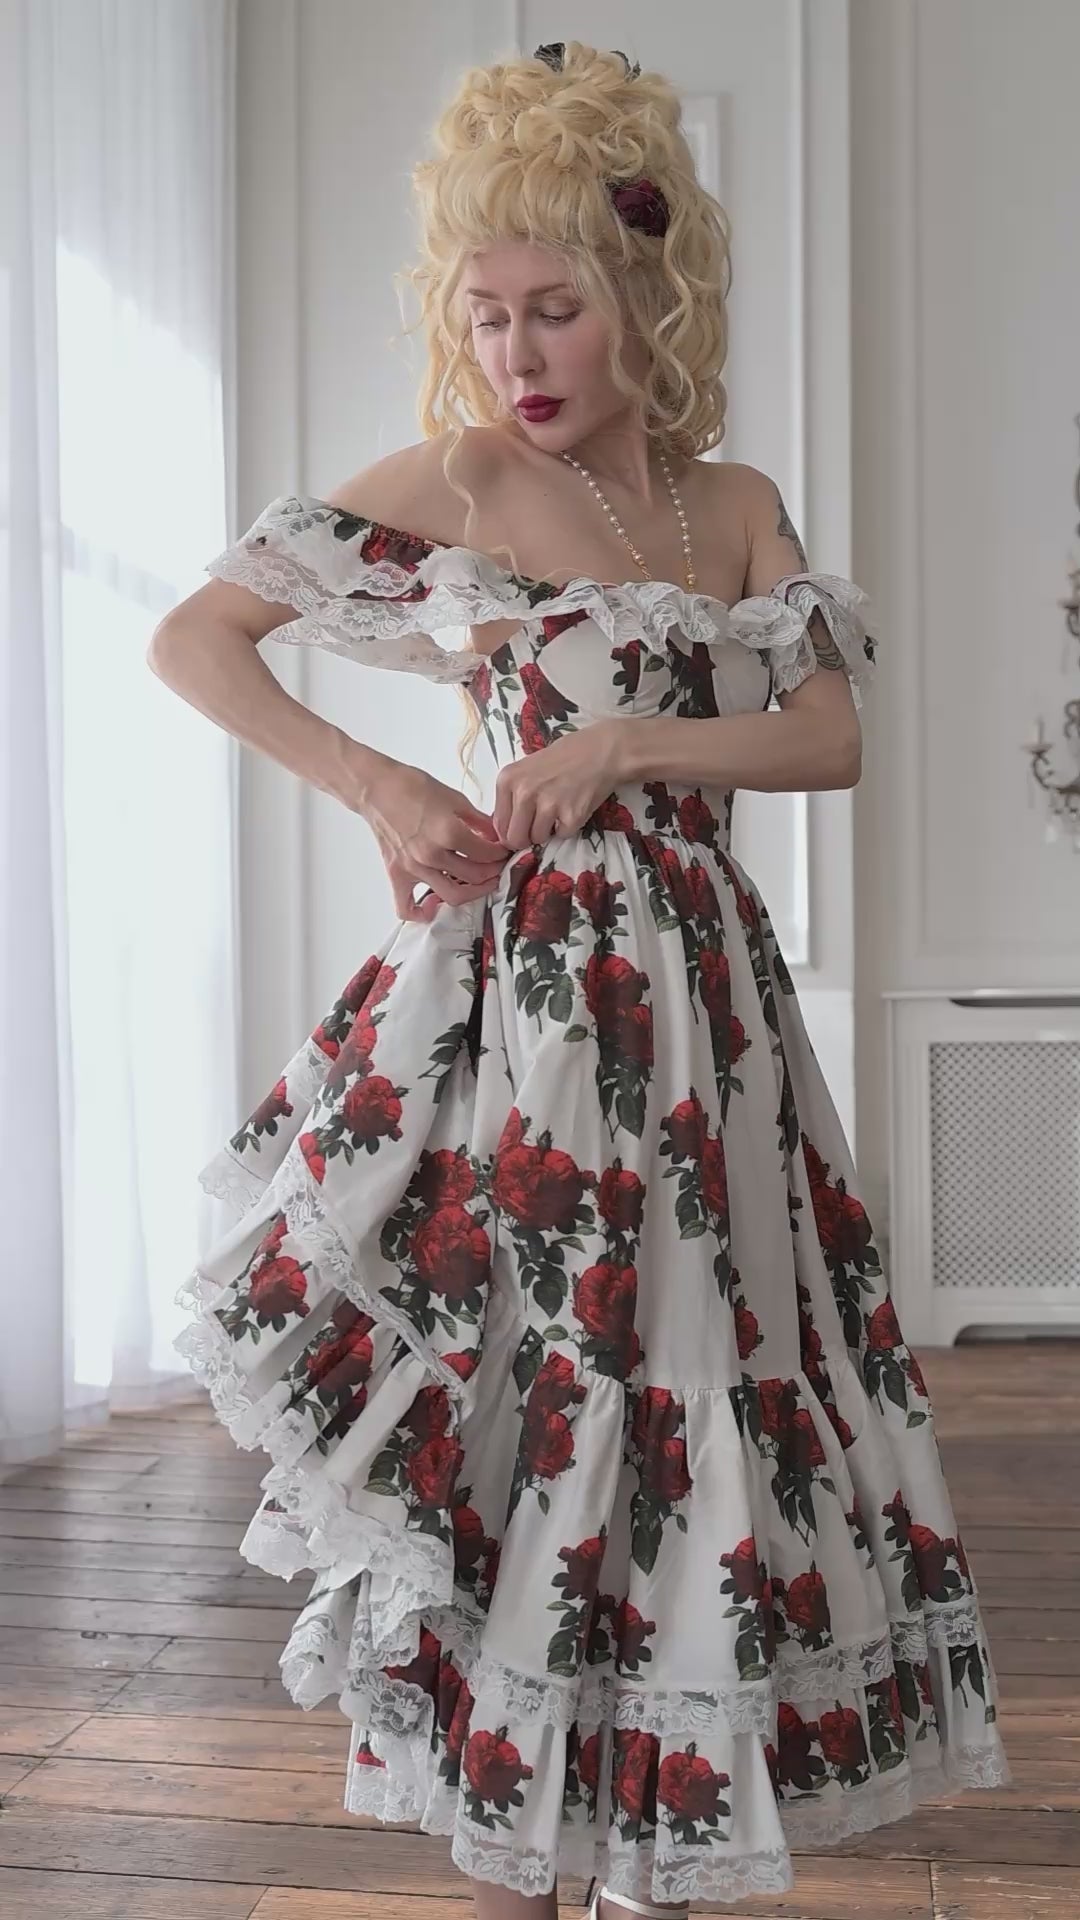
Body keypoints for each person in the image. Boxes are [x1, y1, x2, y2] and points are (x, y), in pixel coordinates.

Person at [153, 39, 1010, 1919]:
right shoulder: (464, 477)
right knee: (550, 1384)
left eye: (556, 308)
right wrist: (382, 783)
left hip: (718, 1016)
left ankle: (652, 1834)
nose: (516, 353)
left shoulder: (735, 503)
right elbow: (199, 637)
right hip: (535, 1017)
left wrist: (626, 746)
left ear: (647, 297)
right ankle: (514, 1848)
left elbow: (827, 737)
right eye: (486, 314)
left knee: (703, 1374)